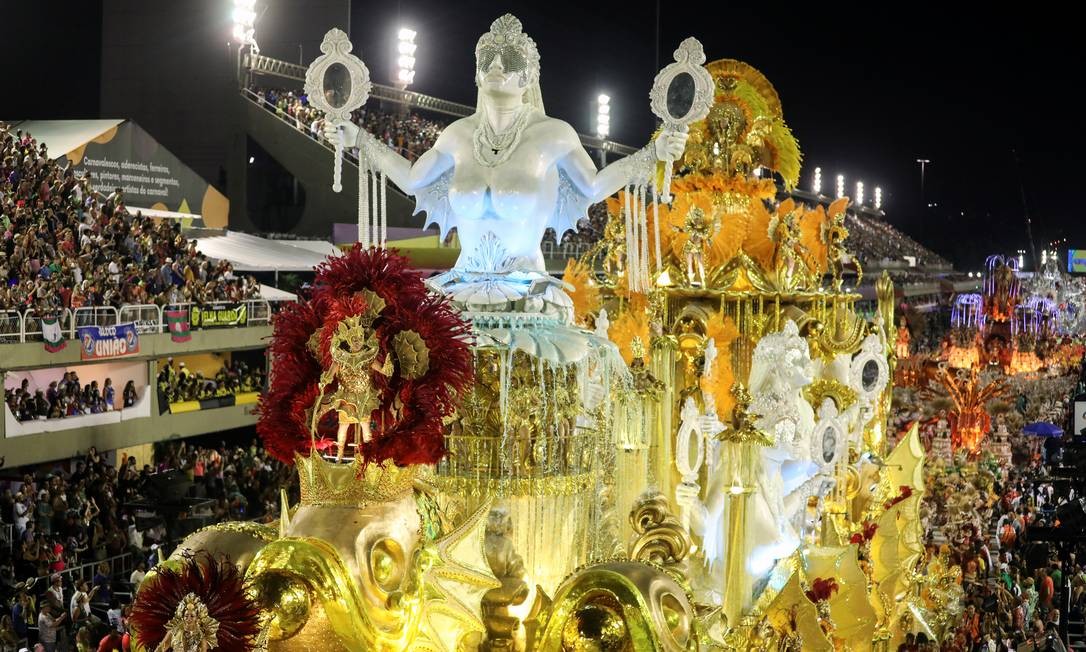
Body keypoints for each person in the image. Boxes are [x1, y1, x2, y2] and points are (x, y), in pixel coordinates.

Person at [327, 13, 687, 315]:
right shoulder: (457, 135)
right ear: (477, 72)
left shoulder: (554, 134)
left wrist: (653, 154)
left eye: (510, 60)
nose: (497, 66)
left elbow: (592, 186)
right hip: (461, 292)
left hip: (528, 295)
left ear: (528, 75)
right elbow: (411, 179)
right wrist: (358, 138)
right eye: (488, 60)